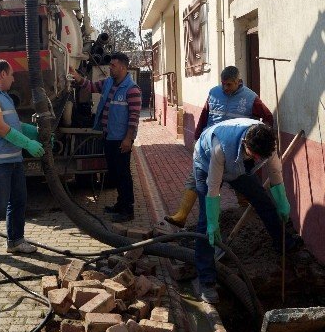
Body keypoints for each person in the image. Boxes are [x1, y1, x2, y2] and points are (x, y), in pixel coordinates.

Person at [193, 118, 301, 304]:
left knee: (264, 201)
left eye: (261, 158)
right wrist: (213, 221)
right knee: (205, 223)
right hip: (206, 164)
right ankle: (206, 280)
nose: (258, 160)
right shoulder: (220, 148)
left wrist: (283, 202)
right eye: (255, 155)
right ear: (245, 144)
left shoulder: (267, 145)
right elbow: (213, 188)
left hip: (238, 167)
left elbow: (275, 174)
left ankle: (283, 243)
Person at [165, 65, 274, 227]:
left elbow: (267, 117)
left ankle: (246, 216)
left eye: (229, 84)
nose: (225, 87)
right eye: (223, 83)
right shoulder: (214, 93)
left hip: (237, 149)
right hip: (211, 146)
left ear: (238, 82)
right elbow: (204, 116)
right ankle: (181, 215)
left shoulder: (250, 98)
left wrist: (258, 139)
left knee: (242, 184)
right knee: (196, 179)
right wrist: (197, 137)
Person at [0, 59, 45, 256]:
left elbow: (14, 125)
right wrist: (28, 144)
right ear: (2, 74)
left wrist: (34, 132)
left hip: (12, 159)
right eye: (11, 75)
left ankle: (15, 241)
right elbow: (1, 128)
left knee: (19, 200)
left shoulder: (2, 96)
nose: (13, 79)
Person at [71, 52, 142, 223]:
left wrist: (128, 139)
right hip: (109, 136)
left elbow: (134, 118)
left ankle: (128, 209)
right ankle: (120, 203)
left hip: (121, 139)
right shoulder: (109, 82)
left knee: (123, 174)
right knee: (114, 173)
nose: (110, 68)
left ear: (123, 68)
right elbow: (91, 86)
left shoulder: (132, 90)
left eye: (113, 66)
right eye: (110, 65)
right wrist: (77, 77)